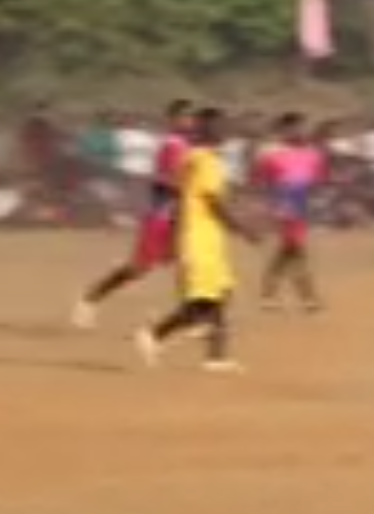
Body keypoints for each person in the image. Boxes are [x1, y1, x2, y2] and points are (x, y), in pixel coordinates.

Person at [134, 108, 258, 372]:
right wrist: (242, 228)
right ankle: (154, 334)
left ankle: (216, 357)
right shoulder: (206, 160)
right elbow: (213, 201)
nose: (225, 130)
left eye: (225, 125)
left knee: (221, 294)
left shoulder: (194, 157)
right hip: (200, 238)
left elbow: (183, 196)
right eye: (219, 126)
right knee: (202, 301)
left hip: (205, 236)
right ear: (205, 130)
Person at [72, 99, 193, 328]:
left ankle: (190, 315)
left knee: (187, 264)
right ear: (173, 119)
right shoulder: (172, 144)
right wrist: (181, 195)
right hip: (162, 216)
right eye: (184, 116)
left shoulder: (182, 145)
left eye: (190, 116)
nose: (189, 120)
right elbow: (165, 180)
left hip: (173, 214)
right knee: (138, 269)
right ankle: (90, 298)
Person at [255, 113, 327, 312]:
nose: (301, 132)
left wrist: (317, 202)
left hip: (302, 207)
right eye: (296, 128)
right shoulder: (272, 154)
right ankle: (308, 297)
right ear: (284, 130)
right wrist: (267, 206)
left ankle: (268, 293)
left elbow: (317, 182)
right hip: (284, 208)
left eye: (303, 127)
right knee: (297, 249)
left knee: (287, 251)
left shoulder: (314, 154)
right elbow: (262, 182)